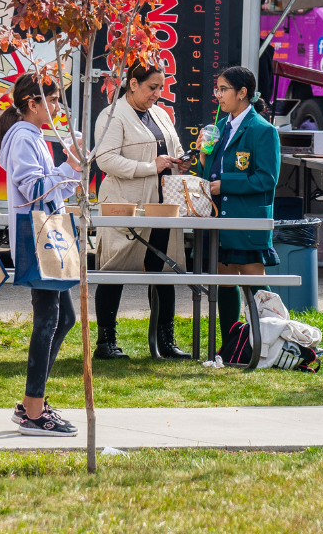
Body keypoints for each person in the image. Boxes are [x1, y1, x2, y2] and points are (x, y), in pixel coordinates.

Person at [0, 72, 82, 436]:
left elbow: (51, 190)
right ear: (33, 103)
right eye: (54, 99)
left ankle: (33, 402)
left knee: (63, 319)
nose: (58, 107)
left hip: (48, 235)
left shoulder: (32, 136)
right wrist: (69, 168)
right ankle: (33, 408)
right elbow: (33, 190)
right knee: (49, 319)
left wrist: (70, 171)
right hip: (39, 237)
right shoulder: (24, 138)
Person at [93, 61, 190, 360]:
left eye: (161, 88)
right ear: (132, 84)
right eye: (152, 87)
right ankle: (105, 342)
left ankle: (165, 341)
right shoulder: (111, 115)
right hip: (125, 204)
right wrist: (151, 167)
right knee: (114, 269)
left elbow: (167, 154)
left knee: (164, 268)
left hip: (162, 205)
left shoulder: (160, 114)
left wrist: (179, 162)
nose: (157, 94)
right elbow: (105, 160)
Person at [198, 66, 281, 353]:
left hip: (247, 222)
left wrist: (225, 185)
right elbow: (208, 174)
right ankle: (231, 346)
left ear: (242, 93)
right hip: (218, 221)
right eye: (217, 89)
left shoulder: (263, 131)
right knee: (224, 283)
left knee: (257, 288)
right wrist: (199, 157)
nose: (217, 95)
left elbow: (267, 178)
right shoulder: (218, 128)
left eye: (223, 89)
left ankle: (275, 341)